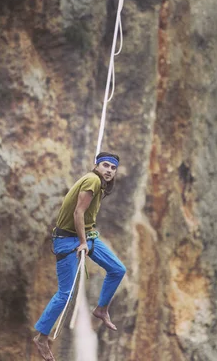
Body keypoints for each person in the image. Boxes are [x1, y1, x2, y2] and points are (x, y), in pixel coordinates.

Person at [33, 152, 127, 361]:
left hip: (87, 235)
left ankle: (101, 309)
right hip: (68, 239)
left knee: (118, 269)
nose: (109, 171)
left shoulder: (98, 183)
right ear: (96, 165)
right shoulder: (93, 180)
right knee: (65, 294)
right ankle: (41, 336)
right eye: (105, 166)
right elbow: (78, 213)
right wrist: (83, 243)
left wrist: (86, 240)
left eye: (113, 168)